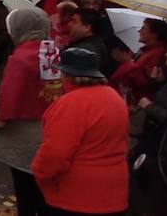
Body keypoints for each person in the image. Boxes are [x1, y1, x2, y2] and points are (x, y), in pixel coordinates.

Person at [31, 47, 129, 216]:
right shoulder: (114, 97)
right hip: (114, 193)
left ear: (67, 75)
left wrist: (39, 173)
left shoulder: (71, 103)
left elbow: (54, 154)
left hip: (75, 197)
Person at [0, 8, 61, 216]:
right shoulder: (54, 52)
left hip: (24, 137)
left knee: (26, 193)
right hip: (54, 130)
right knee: (46, 195)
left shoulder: (20, 58)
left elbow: (9, 98)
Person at [109, 19, 167, 103]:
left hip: (137, 101)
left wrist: (127, 62)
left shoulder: (157, 54)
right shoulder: (147, 51)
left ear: (154, 34)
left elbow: (142, 82)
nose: (140, 31)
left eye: (143, 28)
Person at [60, 5, 117, 80]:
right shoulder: (91, 43)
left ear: (87, 27)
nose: (69, 24)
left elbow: (74, 79)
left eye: (74, 21)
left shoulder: (85, 51)